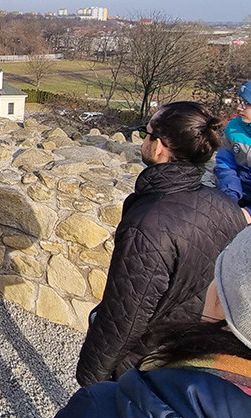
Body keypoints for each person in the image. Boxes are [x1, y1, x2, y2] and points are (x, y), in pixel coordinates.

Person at [76, 101, 248, 386]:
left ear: (159, 147)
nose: (143, 140)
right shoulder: (227, 207)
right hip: (200, 360)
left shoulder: (147, 224)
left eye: (147, 133)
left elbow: (125, 316)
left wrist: (90, 380)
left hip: (147, 364)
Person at [38, 224, 251, 418]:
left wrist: (93, 380)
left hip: (144, 369)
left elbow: (123, 317)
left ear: (221, 302)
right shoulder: (225, 211)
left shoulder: (98, 412)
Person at [215, 80, 251, 207]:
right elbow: (225, 164)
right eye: (240, 101)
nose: (239, 108)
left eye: (246, 103)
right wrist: (230, 197)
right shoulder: (233, 127)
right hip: (239, 192)